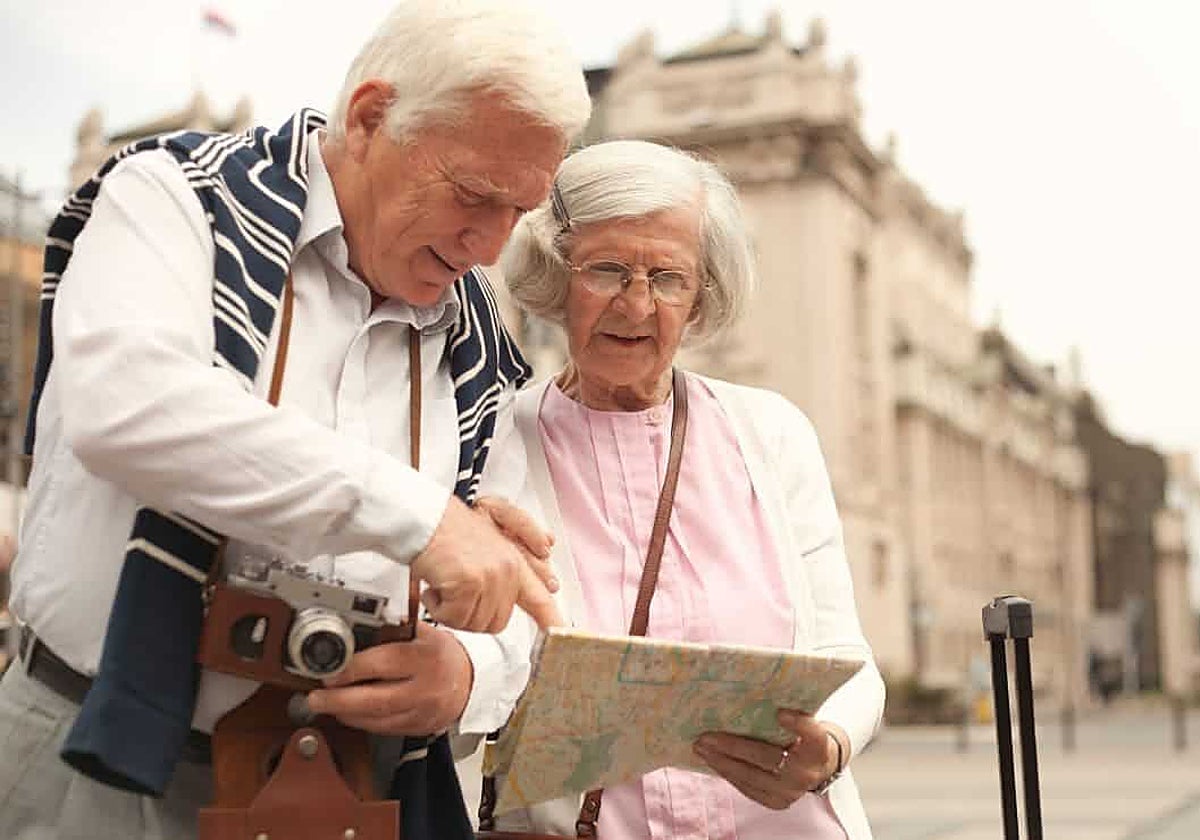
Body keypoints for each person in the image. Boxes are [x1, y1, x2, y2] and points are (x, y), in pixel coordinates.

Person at [0, 1, 590, 838]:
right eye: (473, 195)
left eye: (517, 212)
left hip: (346, 792)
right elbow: (128, 405)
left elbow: (526, 582)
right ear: (370, 115)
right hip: (93, 759)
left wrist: (467, 669)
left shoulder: (483, 339)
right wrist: (423, 521)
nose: (490, 247)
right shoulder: (172, 197)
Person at [492, 140, 885, 839]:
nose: (636, 305)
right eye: (608, 270)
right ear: (557, 273)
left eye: (668, 278)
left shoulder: (772, 434)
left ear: (702, 293)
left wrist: (828, 745)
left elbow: (846, 661)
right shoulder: (496, 443)